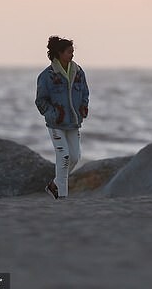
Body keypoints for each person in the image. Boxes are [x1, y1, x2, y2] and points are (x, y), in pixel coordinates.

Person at [35, 36, 89, 199]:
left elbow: (85, 93)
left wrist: (83, 107)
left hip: (73, 122)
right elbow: (40, 101)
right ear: (59, 53)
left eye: (73, 51)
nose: (72, 54)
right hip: (56, 124)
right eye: (69, 52)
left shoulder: (78, 72)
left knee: (75, 157)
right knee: (64, 157)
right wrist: (54, 114)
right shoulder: (47, 76)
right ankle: (62, 197)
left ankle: (54, 185)